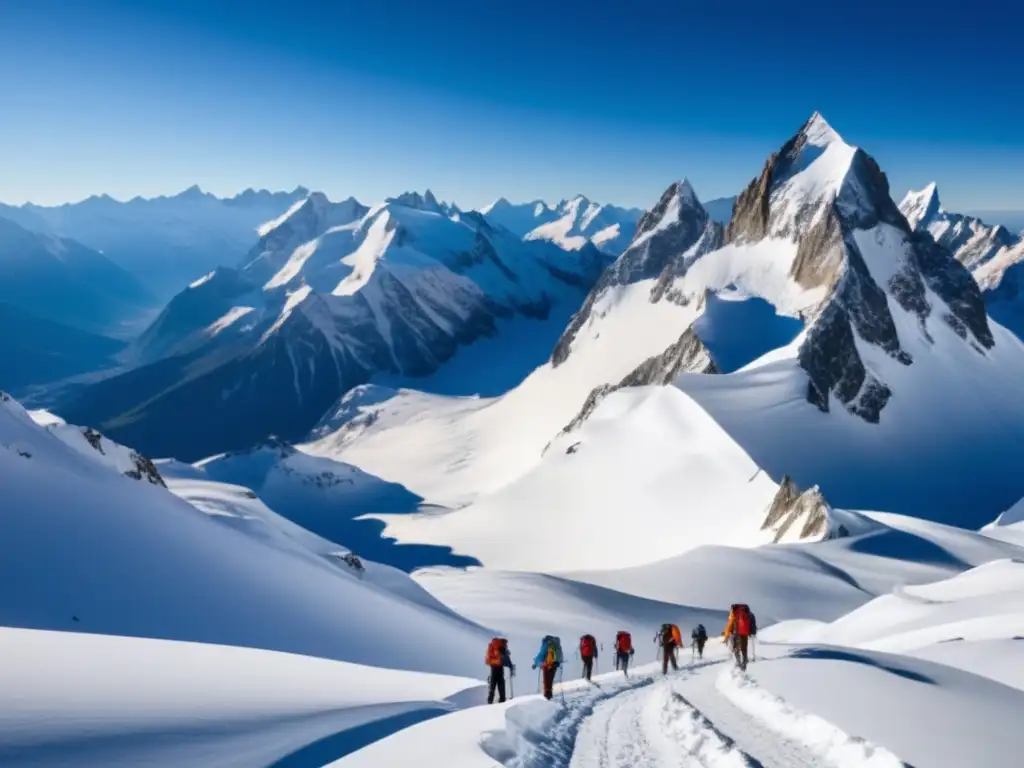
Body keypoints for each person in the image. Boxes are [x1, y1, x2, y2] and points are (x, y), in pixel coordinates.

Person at [722, 604, 756, 670]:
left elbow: (729, 625)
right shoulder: (749, 613)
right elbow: (753, 624)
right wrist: (752, 632)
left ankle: (738, 662)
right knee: (744, 648)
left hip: (736, 633)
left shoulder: (734, 613)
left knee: (735, 648)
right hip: (745, 633)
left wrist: (726, 636)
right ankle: (744, 663)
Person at [485, 637, 515, 704]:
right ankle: (502, 699)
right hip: (499, 667)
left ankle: (490, 700)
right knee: (500, 682)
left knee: (493, 683)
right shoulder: (502, 647)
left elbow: (489, 659)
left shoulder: (493, 646)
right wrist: (511, 666)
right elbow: (506, 660)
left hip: (493, 666)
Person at [532, 635, 563, 700]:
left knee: (546, 681)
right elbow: (560, 656)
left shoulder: (546, 643)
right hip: (555, 664)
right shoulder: (557, 644)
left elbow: (540, 655)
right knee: (550, 680)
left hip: (546, 665)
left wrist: (536, 663)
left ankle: (547, 697)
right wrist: (557, 663)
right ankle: (549, 695)